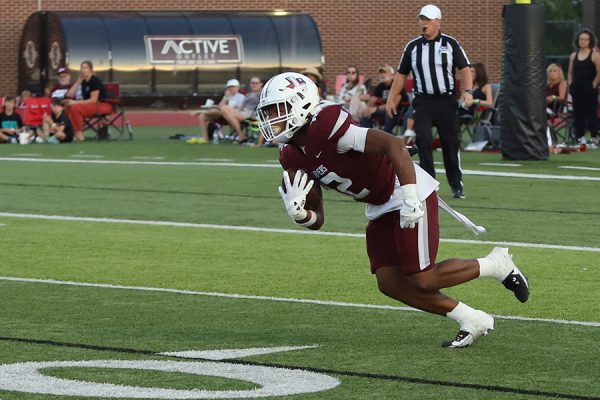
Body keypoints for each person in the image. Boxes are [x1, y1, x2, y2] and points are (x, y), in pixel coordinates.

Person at [256, 72, 529, 348]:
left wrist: (410, 196)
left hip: (403, 187)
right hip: (379, 203)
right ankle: (472, 319)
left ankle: (496, 264)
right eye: (267, 113)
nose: (271, 120)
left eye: (276, 110)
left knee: (423, 277)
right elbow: (318, 219)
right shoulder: (289, 155)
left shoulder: (325, 125)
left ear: (302, 103)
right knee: (390, 282)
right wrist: (299, 214)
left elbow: (392, 144)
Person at [386, 4, 472, 199]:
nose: (423, 23)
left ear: (437, 22)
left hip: (446, 100)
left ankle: (456, 184)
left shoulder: (450, 44)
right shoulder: (413, 47)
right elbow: (401, 75)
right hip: (423, 101)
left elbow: (465, 69)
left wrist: (467, 91)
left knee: (450, 143)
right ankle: (429, 184)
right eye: (421, 19)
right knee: (423, 141)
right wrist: (391, 99)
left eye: (427, 19)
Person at [63, 60, 112, 141]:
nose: (84, 70)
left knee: (76, 107)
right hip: (91, 105)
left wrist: (75, 102)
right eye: (82, 68)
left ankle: (79, 133)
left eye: (86, 67)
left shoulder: (94, 80)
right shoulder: (84, 82)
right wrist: (78, 82)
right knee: (68, 106)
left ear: (91, 70)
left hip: (102, 105)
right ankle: (71, 132)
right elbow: (71, 95)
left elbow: (93, 100)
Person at [567, 28, 600, 147]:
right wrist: (571, 84)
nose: (583, 41)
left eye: (586, 39)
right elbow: (570, 72)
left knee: (591, 114)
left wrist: (594, 85)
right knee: (578, 115)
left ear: (590, 41)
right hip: (577, 90)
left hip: (590, 90)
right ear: (578, 40)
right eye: (581, 39)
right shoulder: (573, 56)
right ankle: (580, 138)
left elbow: (599, 72)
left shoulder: (595, 55)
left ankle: (594, 138)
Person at [188, 78, 246, 144]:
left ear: (237, 87)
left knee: (223, 109)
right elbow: (220, 106)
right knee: (202, 117)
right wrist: (225, 97)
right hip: (222, 115)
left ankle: (201, 111)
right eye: (229, 87)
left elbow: (240, 110)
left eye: (232, 87)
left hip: (232, 116)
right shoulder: (227, 96)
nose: (231, 88)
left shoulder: (241, 97)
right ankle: (205, 137)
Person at [360, 65, 404, 134]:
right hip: (383, 110)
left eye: (384, 72)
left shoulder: (397, 85)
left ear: (392, 74)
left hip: (397, 111)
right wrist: (367, 108)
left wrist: (376, 108)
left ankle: (387, 136)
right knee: (366, 113)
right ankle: (367, 136)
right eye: (380, 73)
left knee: (389, 113)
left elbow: (394, 105)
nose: (382, 75)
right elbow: (373, 99)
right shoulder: (381, 86)